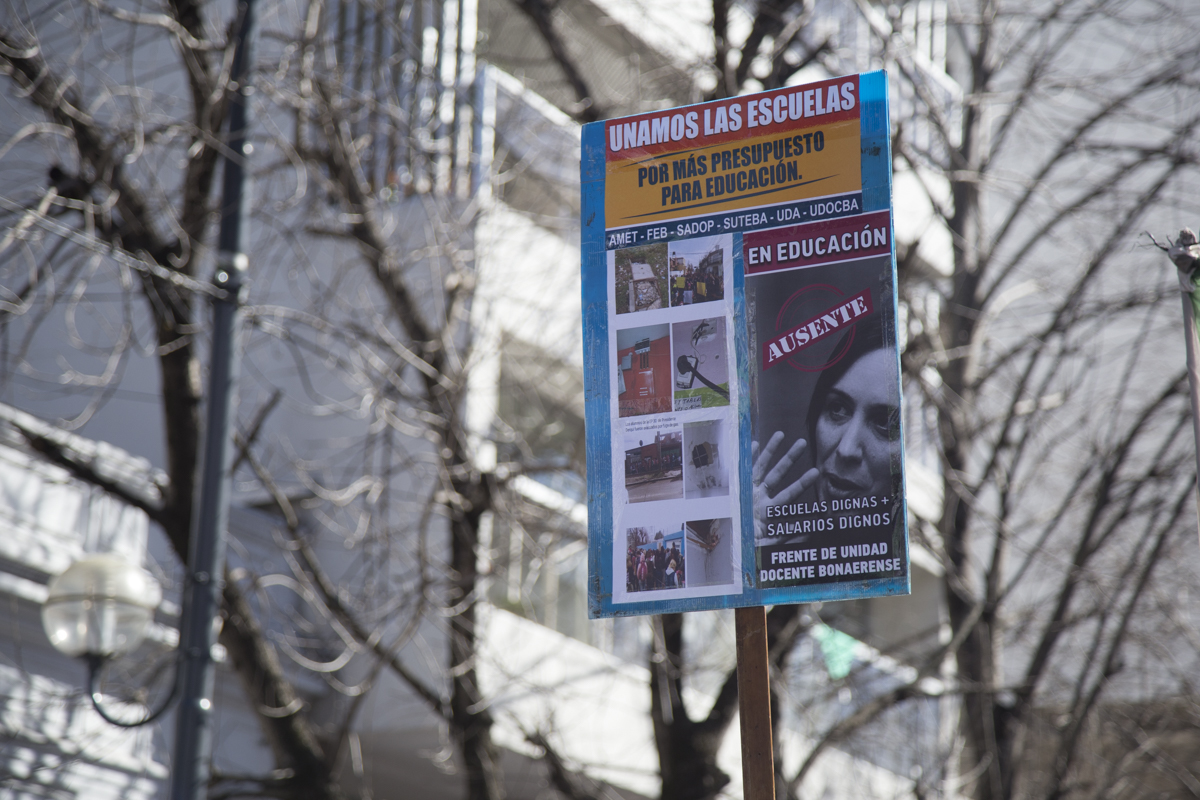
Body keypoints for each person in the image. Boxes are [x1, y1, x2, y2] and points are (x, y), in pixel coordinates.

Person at [753, 313, 900, 538]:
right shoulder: (779, 550)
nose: (846, 450)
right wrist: (748, 551)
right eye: (838, 409)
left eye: (883, 422)